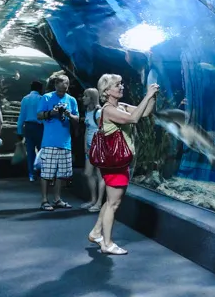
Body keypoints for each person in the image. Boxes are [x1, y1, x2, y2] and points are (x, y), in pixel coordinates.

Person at [88, 74, 159, 255]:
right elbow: (134, 119)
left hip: (119, 163)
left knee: (110, 201)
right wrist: (147, 95)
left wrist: (153, 96)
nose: (121, 87)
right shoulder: (108, 110)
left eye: (121, 84)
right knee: (114, 204)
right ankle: (107, 244)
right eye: (117, 85)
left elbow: (145, 112)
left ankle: (96, 232)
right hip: (115, 164)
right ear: (107, 91)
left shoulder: (121, 106)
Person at [37, 74, 78, 211]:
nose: (63, 89)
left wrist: (69, 114)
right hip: (49, 141)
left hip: (65, 142)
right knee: (47, 173)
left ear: (67, 86)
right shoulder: (47, 97)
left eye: (65, 86)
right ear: (55, 86)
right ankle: (44, 200)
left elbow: (77, 119)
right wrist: (51, 113)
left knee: (61, 173)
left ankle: (57, 199)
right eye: (60, 87)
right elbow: (39, 115)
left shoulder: (71, 100)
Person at [80, 88, 105, 212]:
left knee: (100, 175)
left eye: (86, 96)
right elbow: (87, 130)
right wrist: (86, 146)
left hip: (99, 148)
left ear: (92, 98)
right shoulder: (88, 112)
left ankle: (99, 203)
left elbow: (103, 131)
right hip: (89, 148)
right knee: (88, 173)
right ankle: (93, 199)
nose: (83, 98)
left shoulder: (99, 112)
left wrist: (95, 147)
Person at [16, 80, 44, 182]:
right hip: (40, 127)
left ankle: (31, 174)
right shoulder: (42, 99)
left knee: (30, 151)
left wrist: (19, 130)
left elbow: (21, 116)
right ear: (40, 89)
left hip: (28, 127)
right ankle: (42, 172)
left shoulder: (25, 99)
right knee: (42, 150)